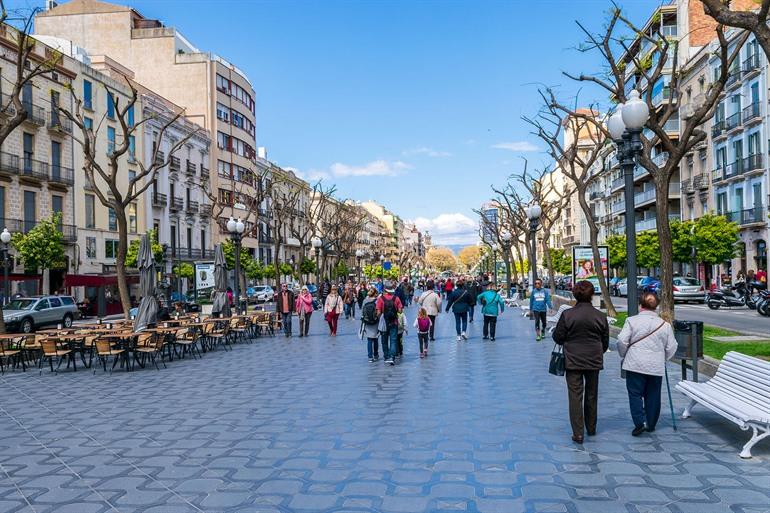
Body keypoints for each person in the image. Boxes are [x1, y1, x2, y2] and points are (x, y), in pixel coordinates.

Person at [552, 280, 610, 444]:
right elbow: (605, 341)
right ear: (592, 295)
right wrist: (598, 350)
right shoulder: (600, 316)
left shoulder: (568, 315)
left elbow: (558, 337)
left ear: (575, 294)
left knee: (575, 396)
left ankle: (578, 432)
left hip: (573, 360)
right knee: (592, 394)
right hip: (593, 359)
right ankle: (591, 427)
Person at [617, 291, 678, 436]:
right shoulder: (665, 325)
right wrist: (663, 358)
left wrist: (624, 354)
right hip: (655, 365)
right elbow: (672, 347)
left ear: (640, 306)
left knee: (635, 393)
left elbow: (622, 341)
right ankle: (651, 423)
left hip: (634, 363)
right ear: (655, 306)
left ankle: (639, 422)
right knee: (653, 394)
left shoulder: (632, 321)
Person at [376, 281, 403, 365]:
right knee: (393, 340)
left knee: (384, 340)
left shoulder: (381, 299)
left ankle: (386, 356)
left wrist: (380, 318)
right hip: (394, 321)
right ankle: (392, 357)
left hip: (384, 322)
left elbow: (378, 312)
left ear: (385, 289)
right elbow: (400, 310)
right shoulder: (396, 298)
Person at [360, 287, 381, 362]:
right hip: (375, 322)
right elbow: (379, 311)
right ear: (375, 293)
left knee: (369, 339)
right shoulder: (377, 301)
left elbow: (362, 311)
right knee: (375, 338)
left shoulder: (365, 300)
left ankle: (370, 357)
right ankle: (375, 354)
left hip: (367, 322)